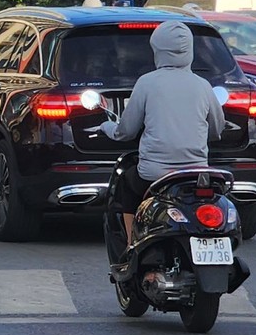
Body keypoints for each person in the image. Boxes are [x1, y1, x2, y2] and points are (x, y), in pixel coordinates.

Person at [95, 21, 226, 248]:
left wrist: (106, 127)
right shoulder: (202, 85)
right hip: (196, 172)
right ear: (190, 50)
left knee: (126, 184)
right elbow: (217, 129)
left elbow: (125, 132)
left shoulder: (147, 83)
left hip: (153, 173)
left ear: (157, 49)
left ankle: (131, 244)